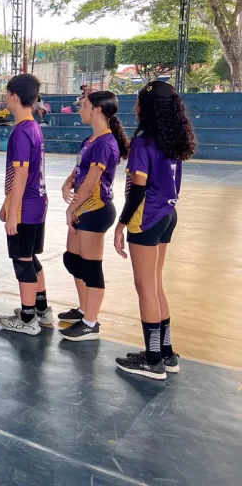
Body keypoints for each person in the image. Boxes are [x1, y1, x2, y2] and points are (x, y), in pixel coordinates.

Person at [114, 81, 196, 380]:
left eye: (138, 102)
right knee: (156, 283)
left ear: (147, 109)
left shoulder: (144, 142)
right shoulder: (172, 139)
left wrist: (121, 224)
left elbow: (137, 189)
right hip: (167, 213)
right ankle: (165, 351)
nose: (135, 107)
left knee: (145, 287)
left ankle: (152, 360)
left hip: (146, 217)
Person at [58, 91, 129, 341]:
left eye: (85, 106)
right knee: (72, 259)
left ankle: (91, 322)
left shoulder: (105, 143)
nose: (81, 109)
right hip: (82, 207)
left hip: (95, 209)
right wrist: (67, 183)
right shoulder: (90, 140)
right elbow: (79, 171)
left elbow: (90, 185)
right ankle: (83, 309)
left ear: (98, 110)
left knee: (91, 267)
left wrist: (71, 209)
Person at [0, 74, 52, 335]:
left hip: (26, 207)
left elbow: (20, 175)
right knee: (31, 257)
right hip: (36, 203)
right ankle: (41, 309)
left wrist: (12, 213)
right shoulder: (34, 127)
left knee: (22, 260)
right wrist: (8, 204)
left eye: (7, 94)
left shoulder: (20, 132)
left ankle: (28, 318)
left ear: (15, 97)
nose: (5, 98)